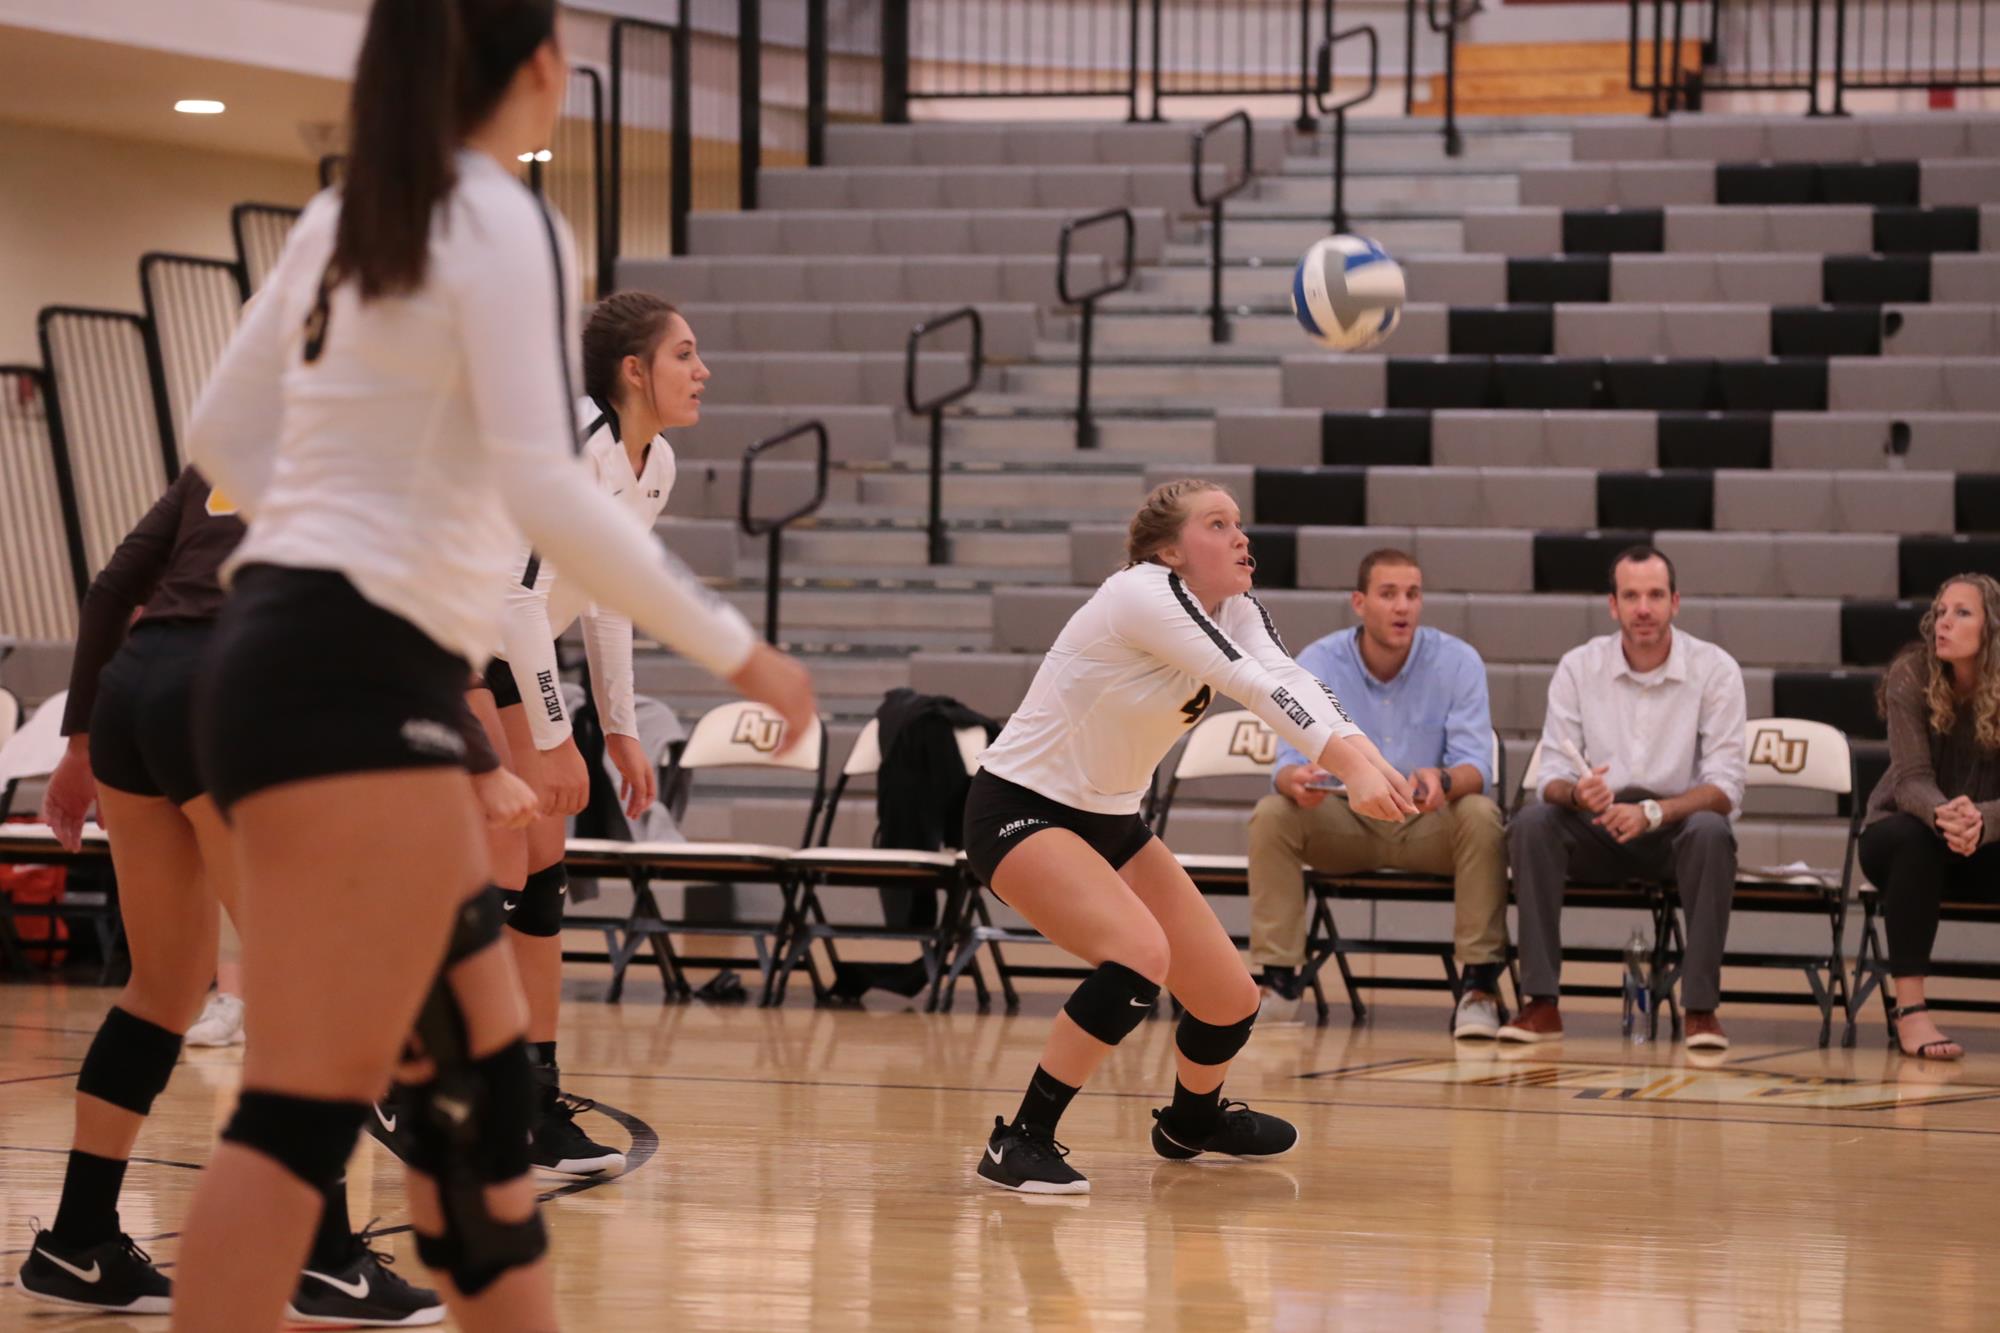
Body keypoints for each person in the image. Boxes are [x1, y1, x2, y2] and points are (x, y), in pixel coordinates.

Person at [166, 2, 815, 1328]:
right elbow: (547, 485)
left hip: (272, 660)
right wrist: (740, 649)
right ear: (536, 68)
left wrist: (351, 519)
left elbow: (219, 432)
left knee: (474, 1105)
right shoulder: (508, 219)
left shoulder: (342, 218)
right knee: (316, 1100)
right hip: (357, 677)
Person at [16, 468, 535, 1324]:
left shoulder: (229, 452)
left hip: (135, 691)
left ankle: (78, 1242)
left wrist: (77, 741)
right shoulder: (374, 445)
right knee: (306, 996)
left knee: (165, 990)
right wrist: (480, 760)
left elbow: (115, 587)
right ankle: (321, 1261)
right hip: (230, 695)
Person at [964, 479, 1416, 1194]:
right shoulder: (1139, 593)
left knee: (1230, 997)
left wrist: (1373, 763)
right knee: (1139, 955)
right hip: (1020, 807)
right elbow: (1251, 686)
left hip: (1111, 818)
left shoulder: (1232, 607)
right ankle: (1020, 1139)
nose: (1241, 537)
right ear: (1171, 550)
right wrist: (1348, 768)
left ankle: (1191, 1120)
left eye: (1239, 523)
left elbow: (1289, 675)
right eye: (1218, 524)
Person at [1245, 548, 1508, 1037]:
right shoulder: (1317, 661)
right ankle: (1278, 983)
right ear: (1359, 603)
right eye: (1389, 595)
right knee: (1273, 814)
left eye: (1412, 595)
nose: (1403, 607)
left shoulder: (1458, 661)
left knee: (1480, 814)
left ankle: (1479, 986)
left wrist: (1444, 780)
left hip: (1428, 819)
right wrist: (1295, 782)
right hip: (1343, 819)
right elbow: (1284, 767)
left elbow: (1478, 768)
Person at [1502, 545, 1746, 1050]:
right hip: (1598, 825)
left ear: (1675, 602)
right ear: (1613, 606)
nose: (1643, 609)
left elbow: (1725, 788)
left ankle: (1700, 1009)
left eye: (1655, 595)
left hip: (1674, 828)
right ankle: (1541, 1003)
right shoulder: (1578, 666)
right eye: (1631, 596)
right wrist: (1576, 791)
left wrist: (1654, 812)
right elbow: (1547, 776)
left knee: (1711, 831)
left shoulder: (1715, 669)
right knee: (1530, 823)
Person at [1857, 573, 2000, 1061]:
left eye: (1962, 613)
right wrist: (1948, 816)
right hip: (1905, 837)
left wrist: (1982, 820)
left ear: (1992, 629)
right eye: (1940, 611)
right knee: (1912, 838)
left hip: (1985, 843)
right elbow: (1910, 778)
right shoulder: (1911, 674)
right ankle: (1911, 1012)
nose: (1944, 623)